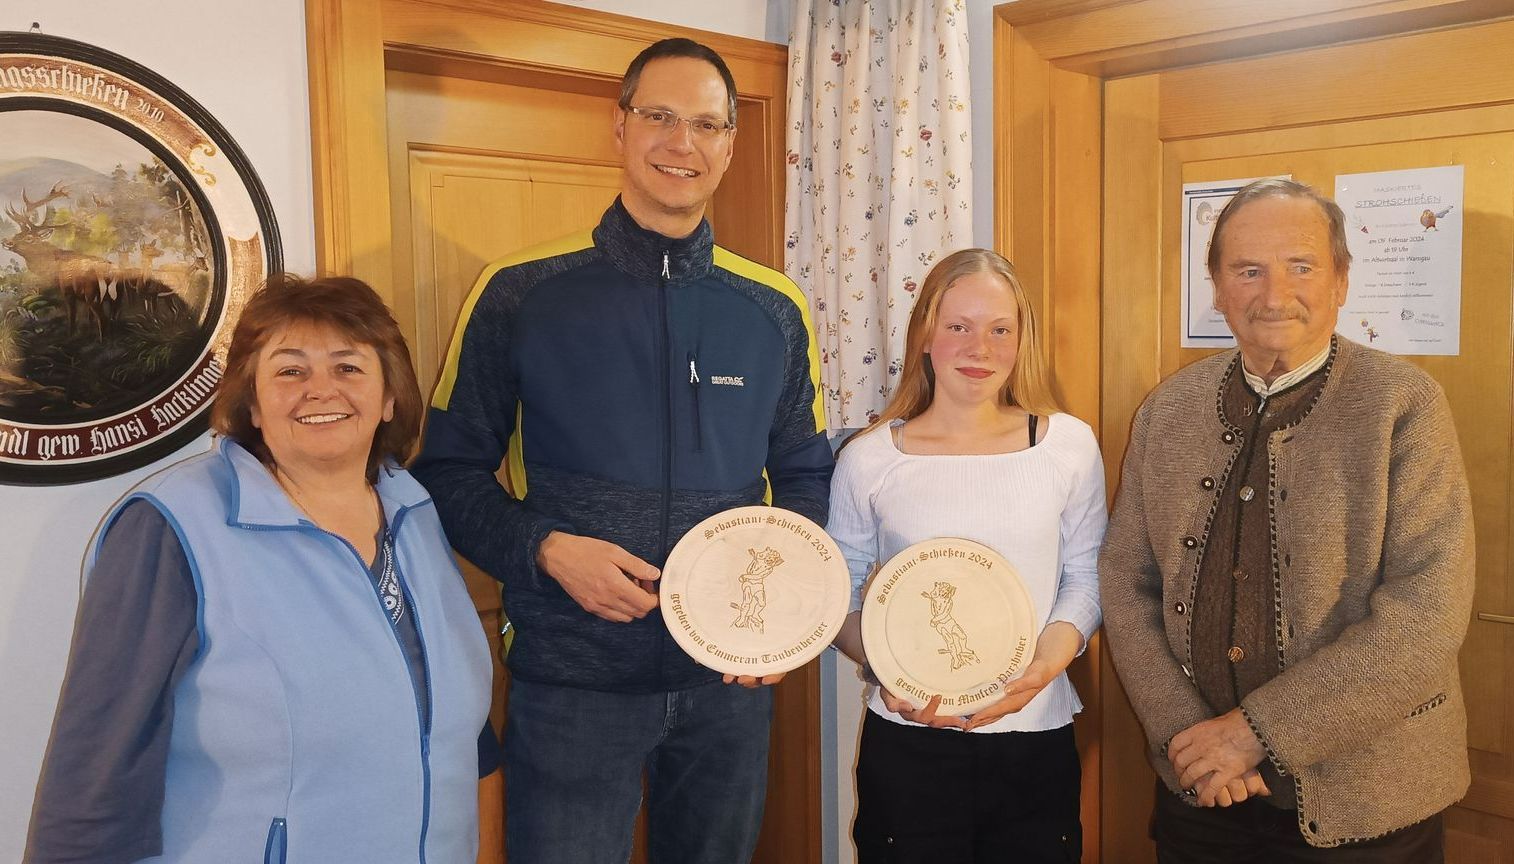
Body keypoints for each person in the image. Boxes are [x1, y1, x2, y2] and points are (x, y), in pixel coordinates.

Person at [409, 37, 832, 864]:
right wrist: (546, 549)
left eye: (706, 125)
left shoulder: (774, 308)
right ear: (620, 126)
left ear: (730, 144)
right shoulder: (520, 291)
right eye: (660, 116)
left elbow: (805, 476)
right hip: (572, 683)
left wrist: (783, 624)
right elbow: (446, 473)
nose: (682, 143)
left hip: (728, 684)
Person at [25, 275, 495, 864]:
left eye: (348, 367)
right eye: (290, 371)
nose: (320, 390)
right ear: (251, 402)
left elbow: (456, 723)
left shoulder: (414, 508)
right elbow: (99, 763)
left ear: (389, 398)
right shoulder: (171, 525)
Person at [1099, 178, 1474, 861]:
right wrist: (1188, 737)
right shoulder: (1167, 409)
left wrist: (1252, 734)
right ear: (1217, 287)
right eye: (1247, 270)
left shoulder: (1404, 405)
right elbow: (1126, 584)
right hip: (1200, 792)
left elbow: (1427, 618)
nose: (1273, 295)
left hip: (1372, 803)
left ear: (1341, 281)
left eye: (1301, 266)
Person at [826, 249, 1106, 863]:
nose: (980, 348)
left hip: (1034, 738)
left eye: (1000, 329)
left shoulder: (1068, 446)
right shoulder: (869, 458)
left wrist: (1043, 669)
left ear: (1021, 340)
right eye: (959, 326)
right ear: (925, 334)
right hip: (909, 742)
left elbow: (1087, 578)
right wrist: (886, 667)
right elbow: (837, 595)